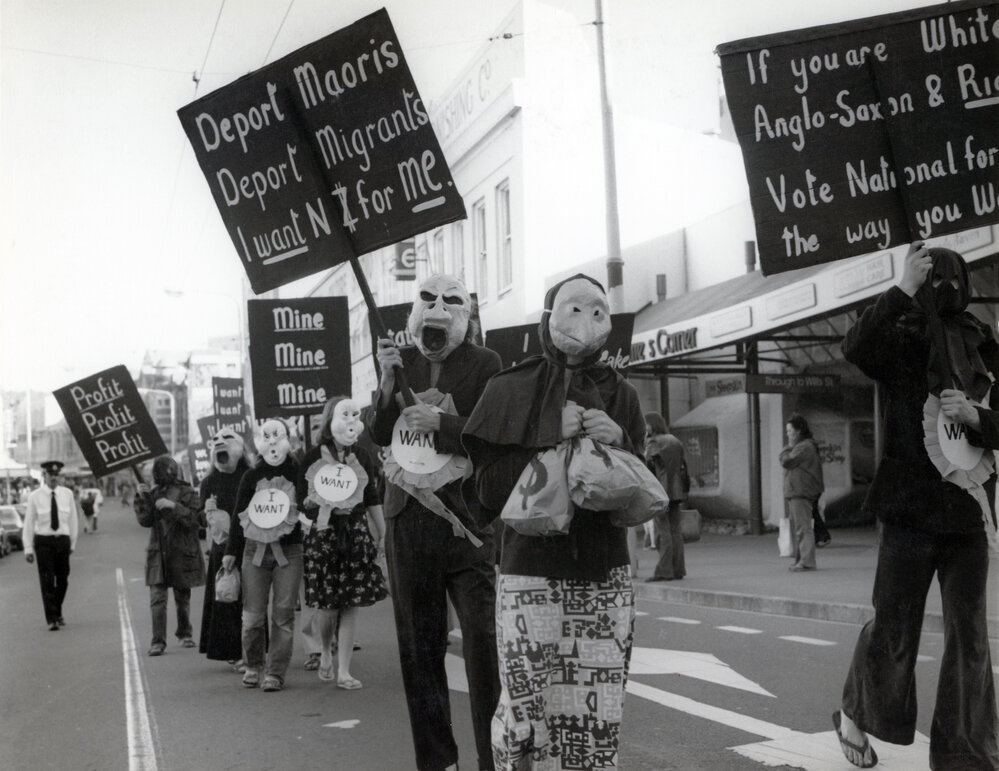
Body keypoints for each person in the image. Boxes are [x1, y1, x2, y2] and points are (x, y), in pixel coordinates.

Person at [464, 274, 645, 770]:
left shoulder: (622, 394)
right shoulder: (509, 387)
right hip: (529, 575)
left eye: (596, 310)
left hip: (604, 578)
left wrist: (621, 441)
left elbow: (644, 494)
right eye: (572, 309)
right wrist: (543, 433)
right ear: (548, 317)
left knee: (594, 723)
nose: (584, 322)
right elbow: (485, 490)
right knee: (524, 717)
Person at [833, 241, 999, 770]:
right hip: (908, 506)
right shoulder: (899, 331)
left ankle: (966, 753)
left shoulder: (985, 342)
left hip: (969, 509)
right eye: (934, 277)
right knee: (894, 624)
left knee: (970, 635)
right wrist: (902, 287)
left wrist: (978, 420)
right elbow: (856, 348)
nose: (945, 287)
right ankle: (855, 713)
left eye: (954, 278)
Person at [370, 273, 501, 771]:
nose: (438, 310)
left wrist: (441, 424)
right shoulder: (398, 361)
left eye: (452, 302)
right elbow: (380, 433)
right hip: (409, 522)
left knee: (483, 642)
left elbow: (493, 433)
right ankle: (437, 760)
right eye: (428, 300)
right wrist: (386, 384)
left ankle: (494, 756)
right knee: (418, 648)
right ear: (413, 315)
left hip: (466, 523)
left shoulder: (486, 364)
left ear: (466, 316)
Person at [298, 396, 387, 688]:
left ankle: (344, 670)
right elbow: (301, 501)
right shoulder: (311, 456)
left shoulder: (363, 455)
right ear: (331, 419)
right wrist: (317, 504)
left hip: (355, 532)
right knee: (328, 606)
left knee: (351, 603)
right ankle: (325, 649)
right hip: (324, 534)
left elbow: (372, 496)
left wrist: (383, 531)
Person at [222, 417, 303, 693]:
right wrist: (231, 552)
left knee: (283, 615)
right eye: (266, 436)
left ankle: (276, 673)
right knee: (252, 616)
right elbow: (237, 515)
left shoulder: (298, 472)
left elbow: (308, 510)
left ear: (288, 440)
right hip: (254, 551)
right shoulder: (251, 475)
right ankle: (254, 664)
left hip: (289, 552)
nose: (272, 442)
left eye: (277, 436)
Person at [135, 456, 206, 656]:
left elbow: (196, 520)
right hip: (159, 551)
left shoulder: (188, 492)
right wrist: (142, 498)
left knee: (182, 596)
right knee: (157, 597)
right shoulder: (153, 492)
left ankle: (185, 633)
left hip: (181, 550)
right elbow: (145, 520)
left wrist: (173, 506)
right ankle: (158, 641)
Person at [197, 428, 251, 669]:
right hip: (221, 549)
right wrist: (206, 513)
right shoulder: (208, 482)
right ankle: (230, 649)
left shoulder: (250, 476)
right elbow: (200, 519)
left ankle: (250, 649)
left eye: (227, 438)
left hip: (248, 546)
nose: (220, 441)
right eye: (215, 440)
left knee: (249, 601)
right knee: (226, 598)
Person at [23, 460, 79, 630]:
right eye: (50, 475)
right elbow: (29, 523)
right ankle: (52, 618)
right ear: (44, 476)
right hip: (44, 541)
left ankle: (57, 610)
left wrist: (72, 543)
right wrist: (28, 548)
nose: (54, 478)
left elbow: (73, 520)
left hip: (62, 540)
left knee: (63, 580)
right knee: (47, 580)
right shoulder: (35, 496)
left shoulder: (67, 494)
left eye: (56, 475)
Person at [644, 411, 688, 582]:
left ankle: (664, 571)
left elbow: (646, 465)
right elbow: (683, 466)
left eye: (646, 424)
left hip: (660, 491)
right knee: (676, 531)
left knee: (663, 532)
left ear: (652, 425)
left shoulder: (653, 442)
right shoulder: (675, 440)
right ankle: (679, 569)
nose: (644, 427)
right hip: (677, 490)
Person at [778, 414, 824, 572]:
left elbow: (786, 461)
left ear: (798, 431)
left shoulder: (804, 447)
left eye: (790, 431)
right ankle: (801, 560)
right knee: (798, 527)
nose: (788, 434)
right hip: (797, 490)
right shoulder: (803, 446)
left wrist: (787, 447)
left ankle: (807, 562)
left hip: (801, 491)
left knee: (803, 528)